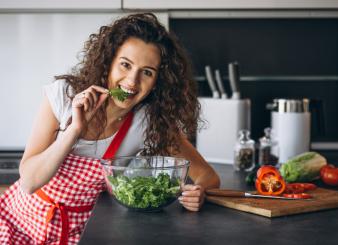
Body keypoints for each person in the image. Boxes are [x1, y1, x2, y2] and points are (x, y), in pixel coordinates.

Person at [0, 13, 220, 244]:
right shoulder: (64, 96)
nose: (132, 81)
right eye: (125, 65)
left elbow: (207, 176)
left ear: (158, 82)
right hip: (20, 225)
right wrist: (74, 130)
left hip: (81, 234)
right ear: (109, 61)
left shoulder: (148, 122)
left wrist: (198, 194)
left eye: (147, 72)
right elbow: (29, 181)